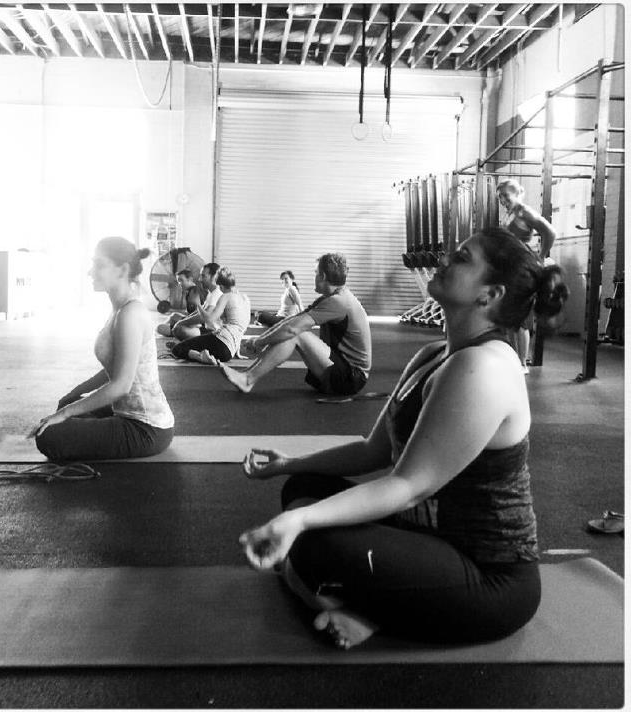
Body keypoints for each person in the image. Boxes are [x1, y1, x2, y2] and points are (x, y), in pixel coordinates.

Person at [239, 227, 568, 651]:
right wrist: (289, 464)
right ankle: (353, 598)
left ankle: (361, 607)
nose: (445, 259)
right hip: (426, 539)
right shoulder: (434, 354)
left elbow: (408, 486)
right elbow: (373, 450)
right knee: (303, 487)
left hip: (489, 578)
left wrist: (299, 522)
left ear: (490, 295)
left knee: (314, 538)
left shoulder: (484, 368)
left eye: (463, 258)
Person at [34, 237, 174, 461]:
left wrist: (67, 413)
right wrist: (73, 397)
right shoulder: (119, 310)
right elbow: (115, 369)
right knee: (67, 404)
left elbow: (121, 385)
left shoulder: (130, 314)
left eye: (99, 265)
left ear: (123, 270)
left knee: (49, 436)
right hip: (125, 413)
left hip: (147, 428)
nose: (91, 272)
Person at [219, 253, 370, 396]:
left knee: (296, 334)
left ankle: (248, 379)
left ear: (323, 276)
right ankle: (247, 376)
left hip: (351, 378)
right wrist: (260, 339)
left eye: (315, 273)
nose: (314, 276)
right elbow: (291, 321)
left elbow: (292, 329)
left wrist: (259, 342)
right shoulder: (331, 298)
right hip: (340, 369)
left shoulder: (339, 301)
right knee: (291, 330)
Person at [496, 179, 558, 373]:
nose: (503, 201)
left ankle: (522, 363)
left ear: (517, 194)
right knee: (509, 317)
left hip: (523, 271)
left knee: (522, 319)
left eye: (506, 196)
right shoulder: (510, 214)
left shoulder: (525, 212)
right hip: (509, 269)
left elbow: (550, 232)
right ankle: (514, 358)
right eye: (500, 197)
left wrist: (541, 257)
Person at [171, 267, 251, 364]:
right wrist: (237, 352)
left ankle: (200, 356)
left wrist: (198, 305)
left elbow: (210, 320)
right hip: (228, 354)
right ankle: (204, 354)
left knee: (177, 349)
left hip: (221, 342)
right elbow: (241, 327)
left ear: (221, 286)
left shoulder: (225, 296)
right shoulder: (245, 298)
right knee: (198, 343)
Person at [169, 262, 222, 341]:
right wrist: (183, 321)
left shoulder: (217, 294)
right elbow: (199, 311)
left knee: (179, 329)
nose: (199, 279)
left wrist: (181, 322)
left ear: (214, 277)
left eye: (203, 276)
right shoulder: (211, 293)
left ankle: (183, 341)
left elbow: (203, 318)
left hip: (214, 333)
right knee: (176, 322)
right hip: (205, 329)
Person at [156, 269, 203, 338]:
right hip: (193, 323)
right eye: (178, 281)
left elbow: (199, 315)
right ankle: (173, 330)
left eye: (181, 280)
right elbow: (189, 313)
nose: (179, 283)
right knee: (174, 316)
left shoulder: (194, 292)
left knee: (160, 328)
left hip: (198, 327)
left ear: (190, 279)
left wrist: (181, 322)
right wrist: (173, 311)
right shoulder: (190, 291)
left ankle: (175, 332)